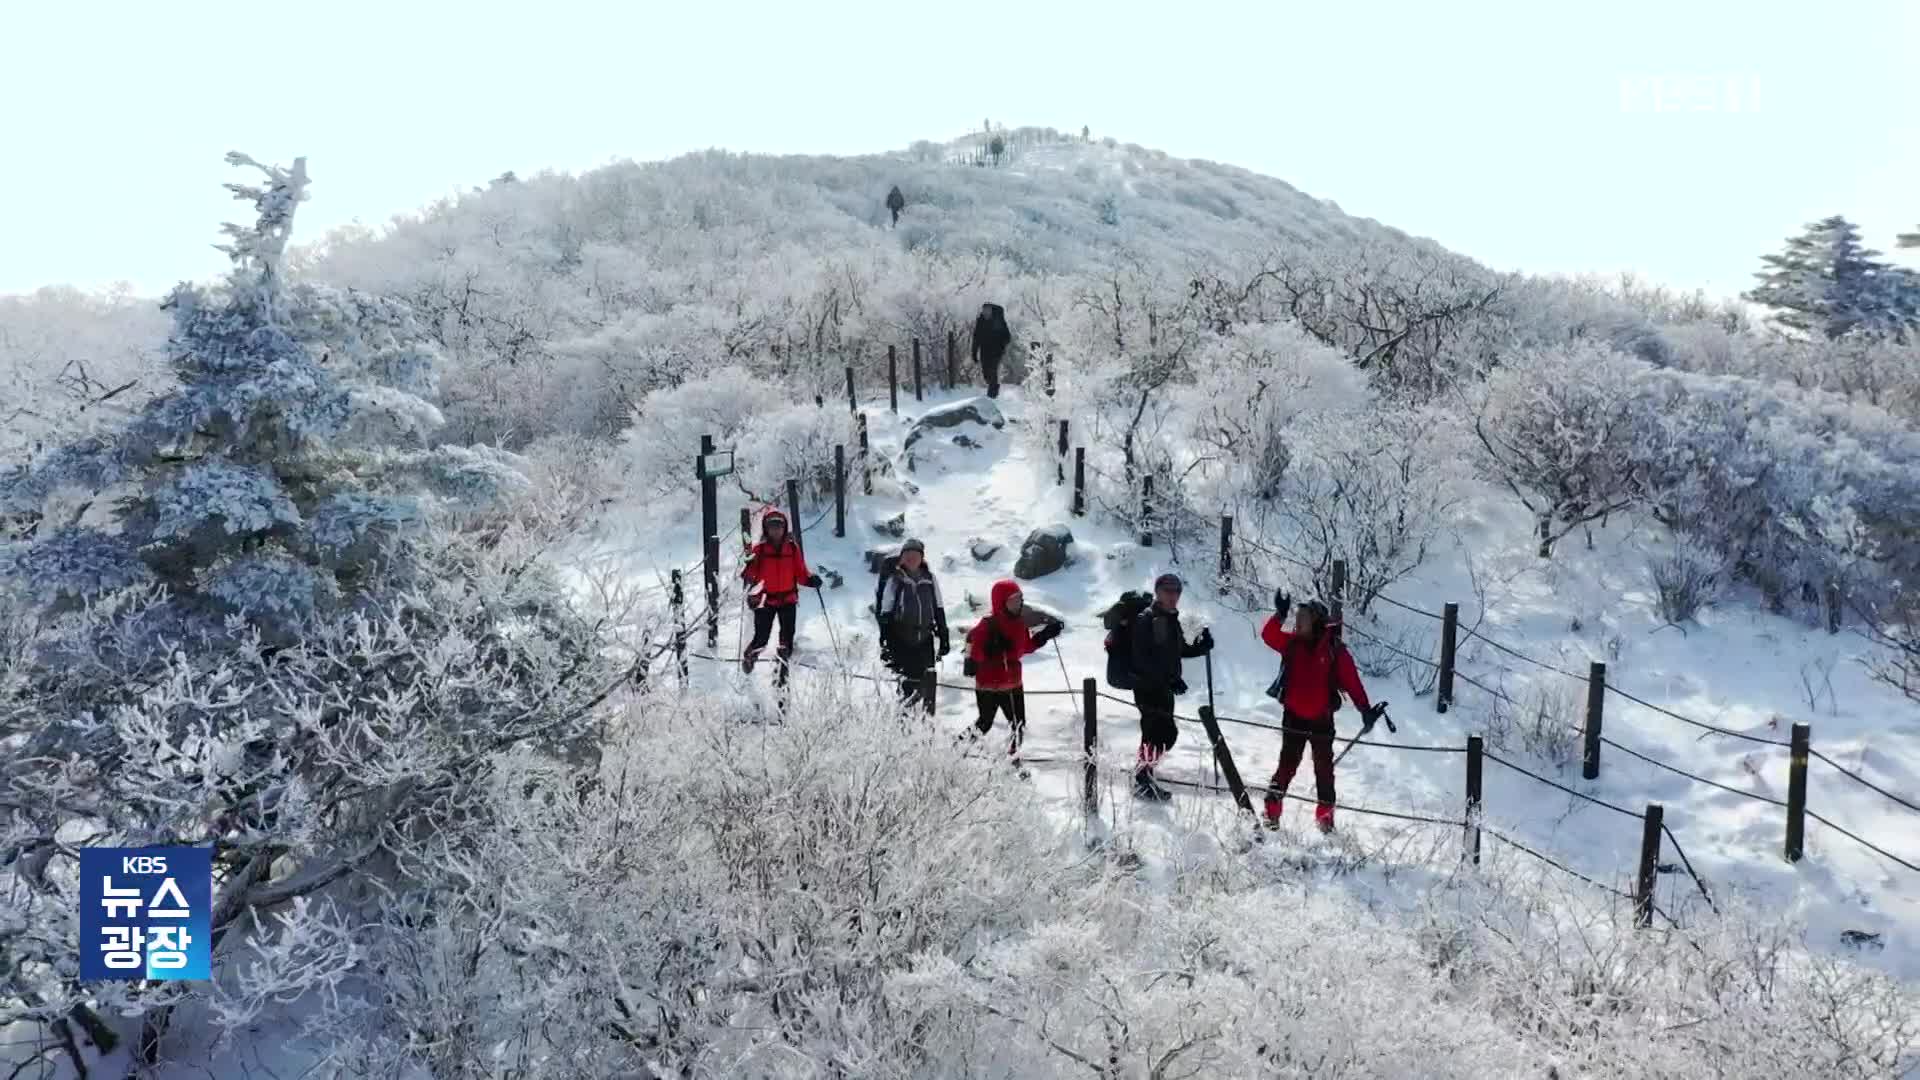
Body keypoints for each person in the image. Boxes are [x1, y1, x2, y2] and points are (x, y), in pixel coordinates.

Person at [1257, 593, 1377, 832]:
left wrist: (1364, 708)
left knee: (1324, 770)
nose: (1297, 622)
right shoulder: (1292, 643)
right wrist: (1279, 615)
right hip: (1294, 715)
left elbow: (1352, 681)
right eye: (1297, 617)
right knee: (1287, 765)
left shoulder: (1334, 650)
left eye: (1303, 618)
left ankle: (1325, 820)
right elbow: (1268, 636)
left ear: (1317, 622)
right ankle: (1271, 813)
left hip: (1322, 718)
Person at [1128, 573, 1213, 801]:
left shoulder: (1168, 617)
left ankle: (1143, 774)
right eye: (1167, 590)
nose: (1173, 595)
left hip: (1162, 688)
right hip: (1149, 687)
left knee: (1158, 734)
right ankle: (1142, 778)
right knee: (1160, 733)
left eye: (1176, 591)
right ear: (1158, 592)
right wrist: (1170, 678)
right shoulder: (1149, 619)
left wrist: (1200, 647)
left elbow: (1174, 651)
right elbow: (1142, 659)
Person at [965, 580, 1062, 761]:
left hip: (1013, 681)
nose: (1019, 602)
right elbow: (975, 652)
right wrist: (991, 649)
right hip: (989, 684)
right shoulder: (987, 624)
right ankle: (956, 750)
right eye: (1013, 599)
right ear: (1001, 601)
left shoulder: (1019, 623)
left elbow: (1024, 648)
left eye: (1020, 598)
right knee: (985, 723)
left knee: (1018, 725)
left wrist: (1044, 635)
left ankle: (1012, 758)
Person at [740, 508, 820, 684]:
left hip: (788, 600)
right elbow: (750, 573)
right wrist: (747, 570)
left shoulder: (792, 548)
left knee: (786, 641)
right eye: (772, 526)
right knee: (761, 639)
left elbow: (801, 573)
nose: (776, 530)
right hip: (765, 601)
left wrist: (811, 580)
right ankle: (749, 657)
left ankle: (781, 672)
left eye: (779, 526)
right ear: (766, 528)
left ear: (785, 528)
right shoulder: (759, 550)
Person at [878, 539, 950, 714]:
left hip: (925, 639)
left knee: (928, 684)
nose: (911, 558)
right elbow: (886, 611)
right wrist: (886, 641)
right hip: (902, 639)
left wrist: (944, 636)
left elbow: (938, 607)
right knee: (908, 687)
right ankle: (904, 725)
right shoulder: (894, 580)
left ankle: (926, 725)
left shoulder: (930, 579)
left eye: (915, 555)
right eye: (907, 555)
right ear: (901, 558)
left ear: (921, 558)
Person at [970, 303, 1012, 398]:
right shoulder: (980, 321)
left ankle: (992, 394)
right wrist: (974, 352)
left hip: (996, 351)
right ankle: (994, 387)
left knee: (992, 370)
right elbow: (976, 338)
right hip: (985, 350)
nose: (985, 312)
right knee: (986, 374)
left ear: (991, 311)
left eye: (987, 310)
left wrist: (1001, 344)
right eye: (984, 310)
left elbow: (1007, 336)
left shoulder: (998, 321)